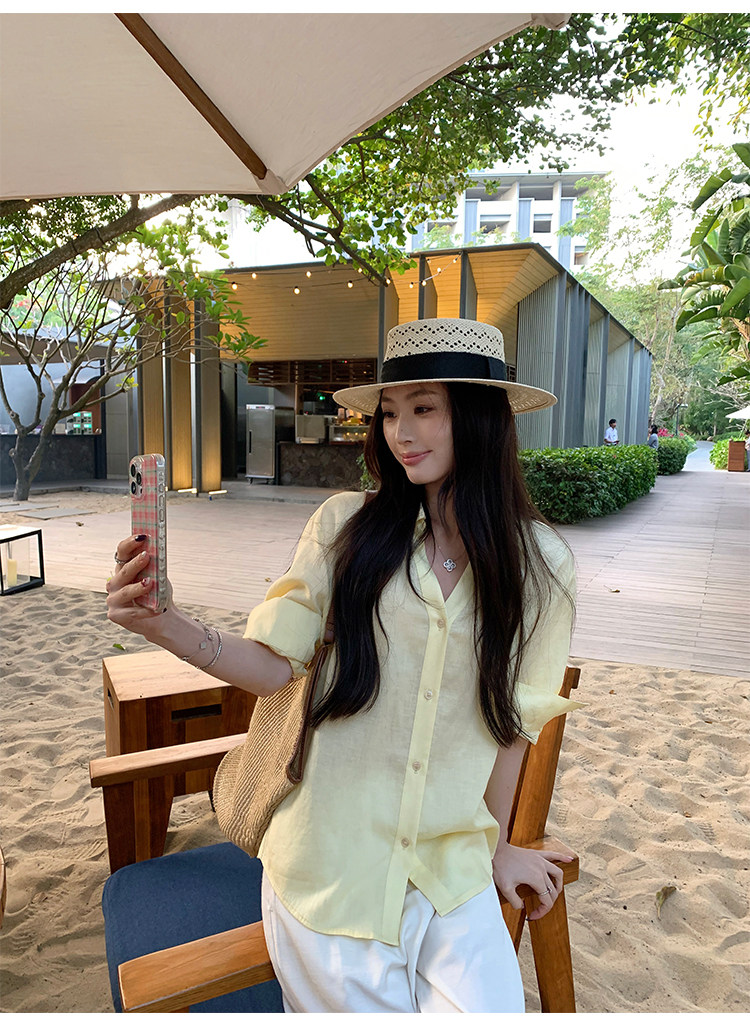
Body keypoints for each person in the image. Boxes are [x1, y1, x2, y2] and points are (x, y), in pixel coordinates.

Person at [106, 318, 580, 1013]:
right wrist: (166, 624)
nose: (401, 432)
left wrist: (497, 844)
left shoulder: (541, 566)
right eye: (389, 412)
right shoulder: (346, 529)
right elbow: (276, 667)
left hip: (453, 869)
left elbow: (513, 723)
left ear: (481, 417)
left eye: (424, 408)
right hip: (327, 867)